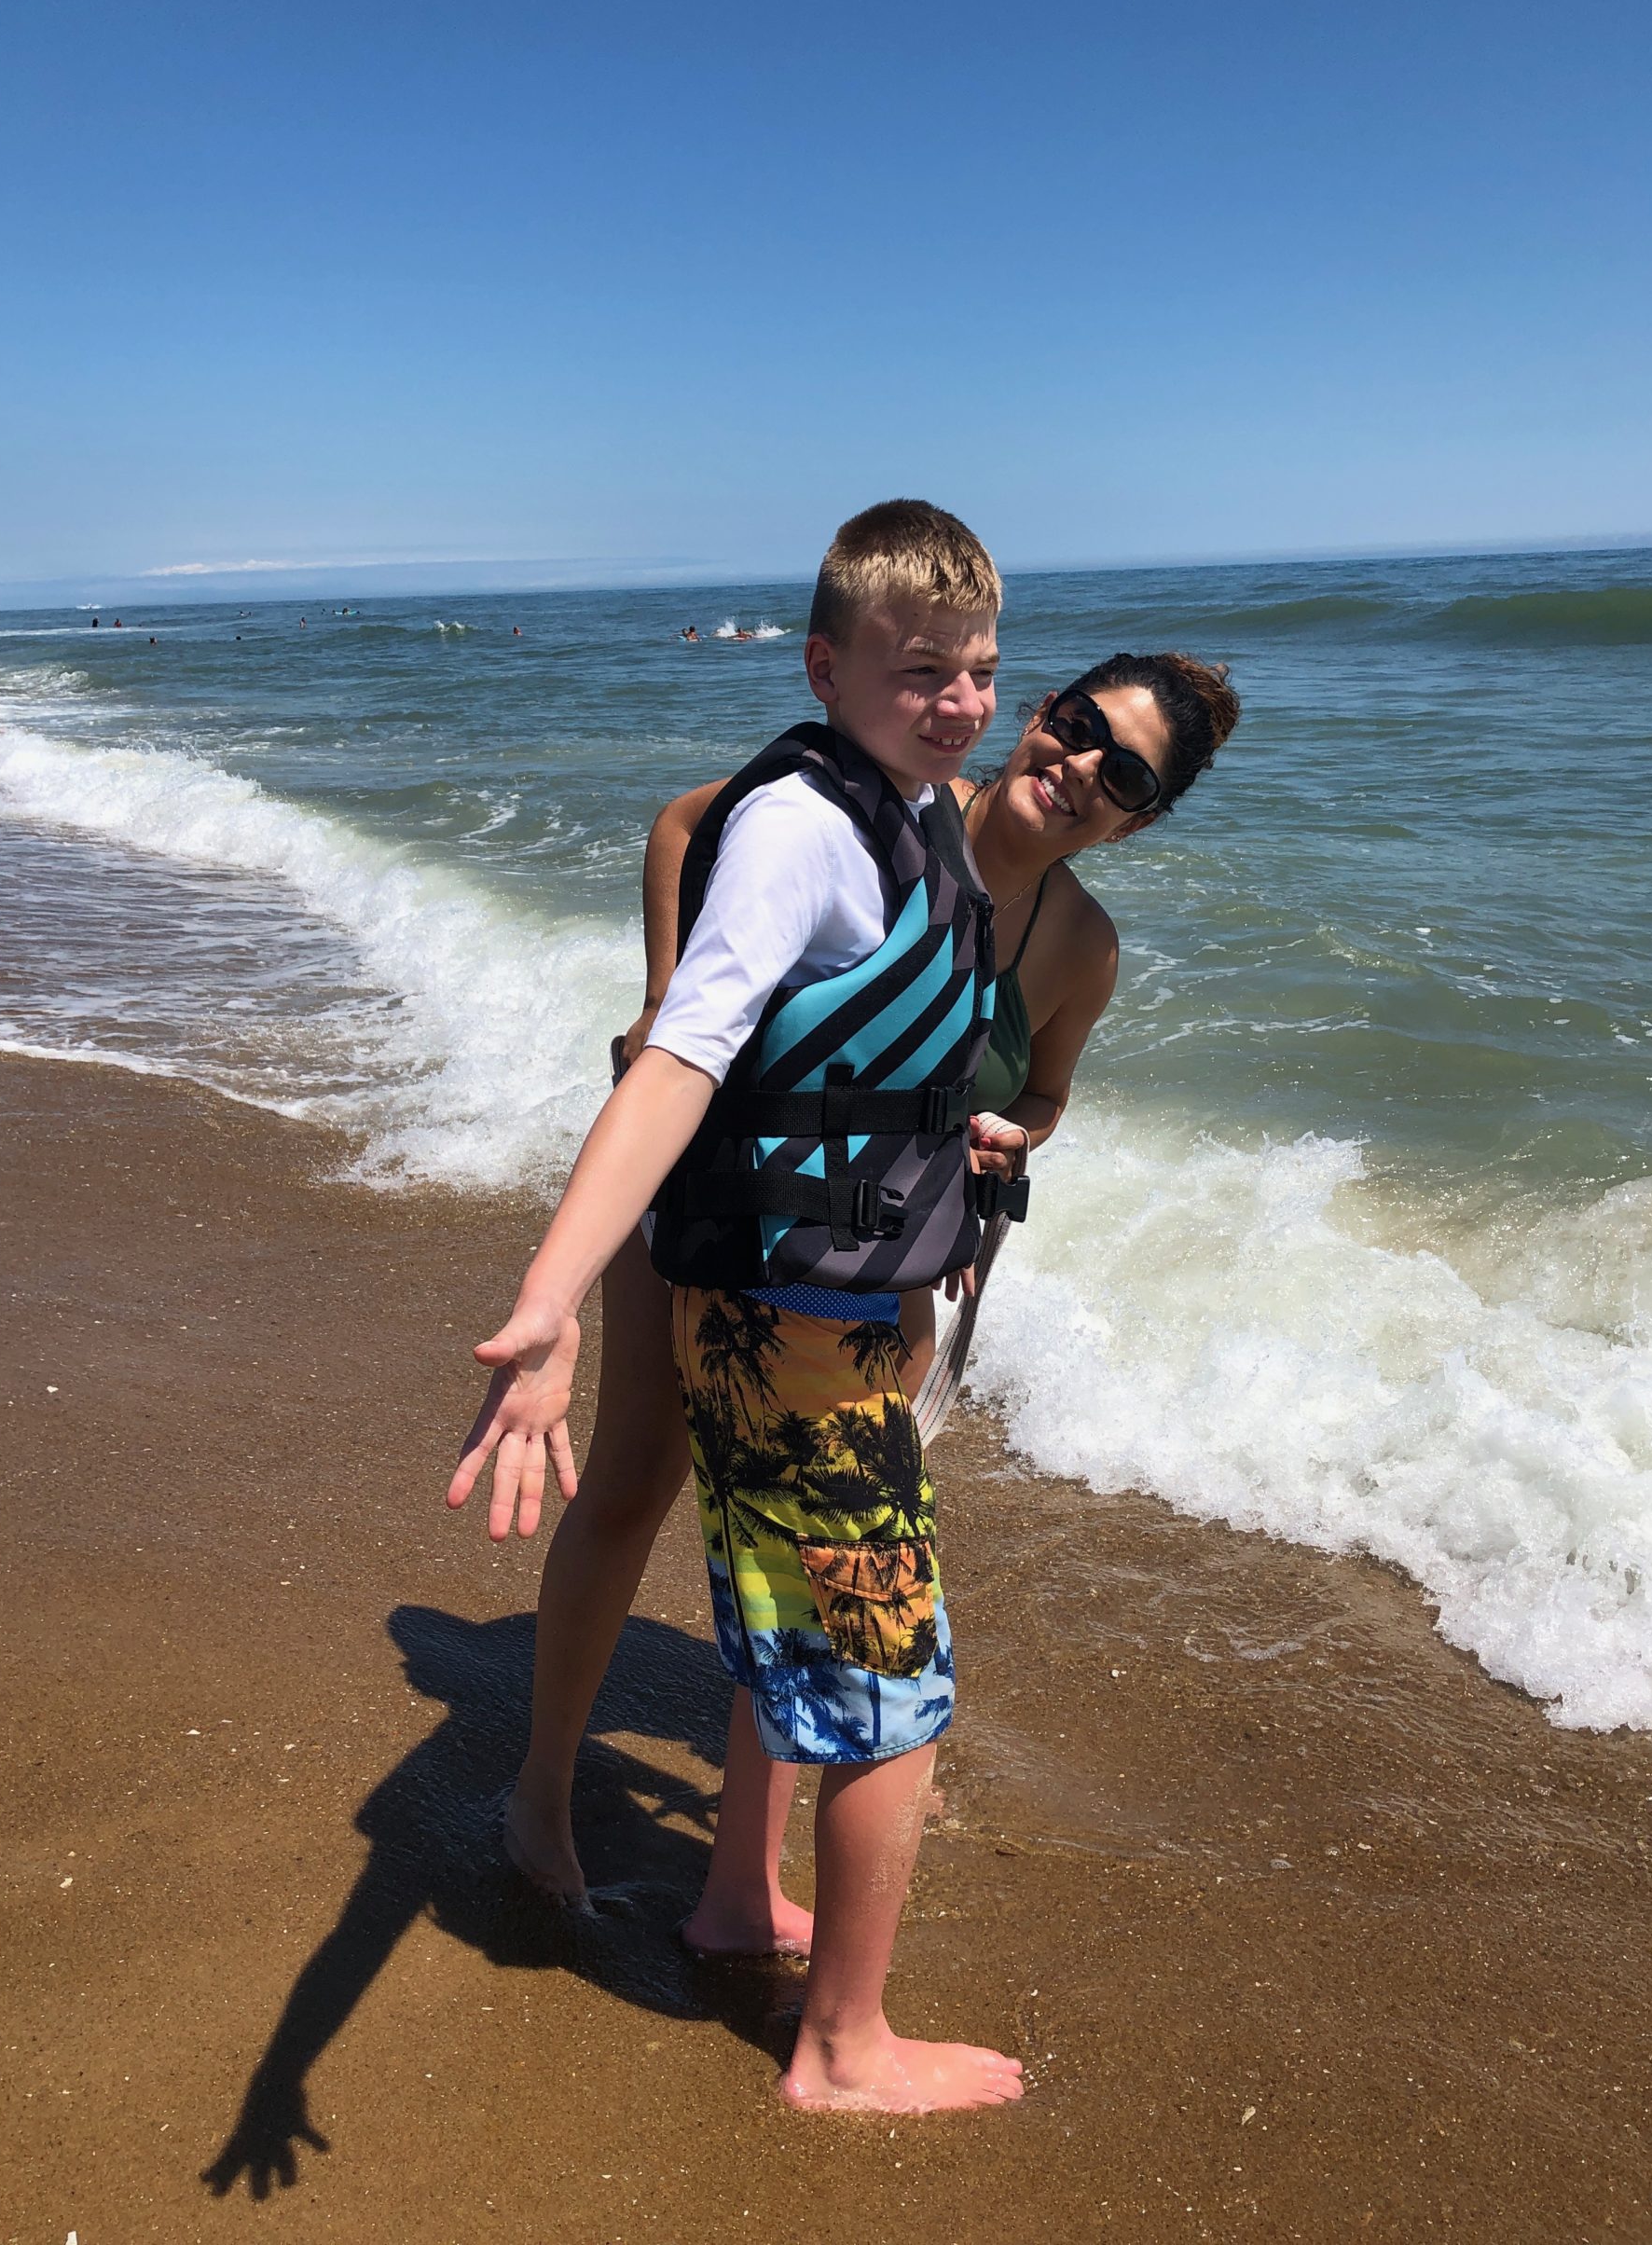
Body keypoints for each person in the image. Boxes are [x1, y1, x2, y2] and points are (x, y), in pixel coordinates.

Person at [502, 647, 1241, 1925]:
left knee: (800, 1547)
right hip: (710, 1180)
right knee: (636, 1477)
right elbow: (689, 821)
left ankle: (746, 1875)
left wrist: (1022, 1131)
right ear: (1041, 712)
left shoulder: (1081, 947)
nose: (1074, 769)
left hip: (870, 1251)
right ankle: (542, 1795)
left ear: (1139, 818)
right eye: (1072, 726)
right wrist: (668, 1004)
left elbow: (1045, 1088)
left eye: (1121, 774)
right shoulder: (891, 804)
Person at [450, 500, 1027, 2114]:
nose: (960, 702)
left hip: (807, 1319)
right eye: (921, 672)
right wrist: (552, 1301)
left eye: (979, 670)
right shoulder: (797, 831)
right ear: (826, 664)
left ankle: (725, 1907)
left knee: (793, 1642)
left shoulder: (911, 809)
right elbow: (684, 1056)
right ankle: (842, 2047)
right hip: (789, 1338)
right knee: (884, 1688)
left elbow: (857, 1047)